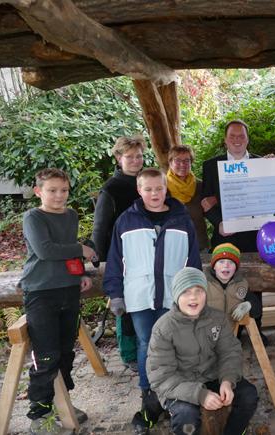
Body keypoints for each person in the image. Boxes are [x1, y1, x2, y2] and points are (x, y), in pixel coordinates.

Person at [103, 168, 201, 433]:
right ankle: (149, 395)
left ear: (165, 188)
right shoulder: (126, 221)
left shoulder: (181, 219)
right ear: (139, 190)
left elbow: (192, 261)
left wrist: (193, 291)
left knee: (173, 343)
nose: (154, 194)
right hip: (140, 296)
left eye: (159, 188)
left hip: (173, 295)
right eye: (148, 189)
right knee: (147, 344)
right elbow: (115, 260)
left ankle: (174, 393)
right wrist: (115, 293)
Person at [20, 168, 96, 434]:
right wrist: (82, 250)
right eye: (52, 190)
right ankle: (39, 414)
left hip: (68, 289)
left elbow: (67, 248)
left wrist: (82, 272)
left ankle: (63, 403)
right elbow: (46, 250)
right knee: (46, 354)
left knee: (65, 351)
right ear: (38, 191)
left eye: (63, 190)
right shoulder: (33, 217)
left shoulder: (71, 215)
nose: (59, 196)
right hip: (41, 292)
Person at [147, 267, 259, 435]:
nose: (193, 297)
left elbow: (230, 352)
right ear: (176, 296)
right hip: (180, 384)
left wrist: (228, 380)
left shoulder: (218, 318)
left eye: (199, 290)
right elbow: (161, 376)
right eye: (185, 292)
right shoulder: (163, 328)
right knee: (186, 417)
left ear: (206, 293)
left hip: (211, 376)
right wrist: (200, 395)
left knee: (248, 395)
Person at [200, 119, 267, 345]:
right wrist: (218, 223)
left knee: (254, 281)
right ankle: (230, 333)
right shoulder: (211, 165)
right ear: (225, 140)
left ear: (248, 139)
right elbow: (206, 200)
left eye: (241, 136)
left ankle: (257, 329)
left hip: (254, 236)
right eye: (232, 137)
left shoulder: (261, 163)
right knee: (224, 282)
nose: (237, 140)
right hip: (225, 235)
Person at [92, 135, 145, 373]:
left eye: (139, 156)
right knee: (125, 306)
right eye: (130, 157)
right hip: (120, 256)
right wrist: (102, 262)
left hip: (146, 253)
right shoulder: (111, 188)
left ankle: (147, 348)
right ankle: (129, 353)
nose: (135, 161)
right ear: (118, 158)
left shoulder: (147, 181)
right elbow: (100, 227)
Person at [166, 145, 210, 251]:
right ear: (170, 162)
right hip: (171, 246)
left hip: (199, 244)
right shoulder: (161, 186)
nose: (182, 164)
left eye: (187, 160)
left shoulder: (200, 186)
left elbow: (210, 211)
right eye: (177, 160)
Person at [206, 243, 252, 331]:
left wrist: (248, 305)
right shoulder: (204, 283)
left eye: (231, 262)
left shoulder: (241, 283)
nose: (226, 265)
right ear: (214, 266)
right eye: (221, 261)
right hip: (207, 335)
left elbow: (256, 306)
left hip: (231, 335)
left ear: (236, 268)